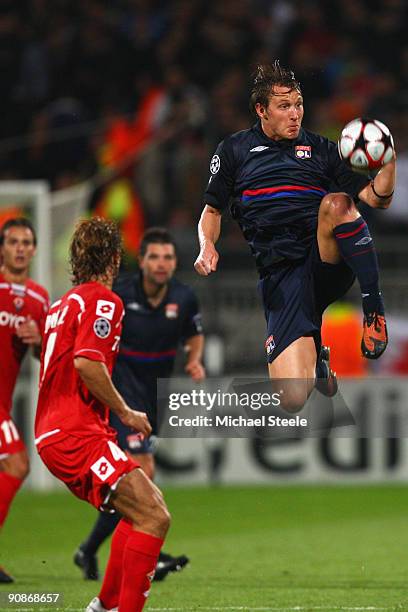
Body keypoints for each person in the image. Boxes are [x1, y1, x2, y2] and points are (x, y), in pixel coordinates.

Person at [194, 61, 396, 412]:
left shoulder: (322, 150)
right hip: (280, 276)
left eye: (298, 104)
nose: (295, 114)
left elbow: (377, 199)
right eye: (284, 107)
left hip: (323, 259)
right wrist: (207, 245)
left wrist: (388, 160)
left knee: (336, 204)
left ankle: (374, 312)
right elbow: (211, 212)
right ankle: (317, 358)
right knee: (292, 400)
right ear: (261, 110)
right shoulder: (234, 152)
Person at [35, 218, 170, 612]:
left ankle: (105, 606)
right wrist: (125, 411)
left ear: (76, 260)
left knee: (142, 506)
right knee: (155, 516)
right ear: (115, 258)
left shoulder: (63, 303)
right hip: (76, 433)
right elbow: (87, 362)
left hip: (55, 432)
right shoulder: (103, 301)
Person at [74, 227, 205, 582]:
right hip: (122, 388)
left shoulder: (184, 297)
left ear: (175, 262)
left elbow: (194, 335)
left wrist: (194, 360)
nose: (162, 264)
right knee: (141, 469)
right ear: (142, 261)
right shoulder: (119, 294)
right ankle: (149, 552)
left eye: (168, 257)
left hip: (154, 392)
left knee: (135, 477)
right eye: (154, 257)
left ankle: (89, 549)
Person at [0, 217, 49, 584]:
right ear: (2, 248)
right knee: (18, 464)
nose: (19, 248)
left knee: (15, 466)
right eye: (13, 241)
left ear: (33, 249)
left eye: (25, 242)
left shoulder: (39, 298)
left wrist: (37, 342)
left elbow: (41, 358)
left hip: (4, 400)